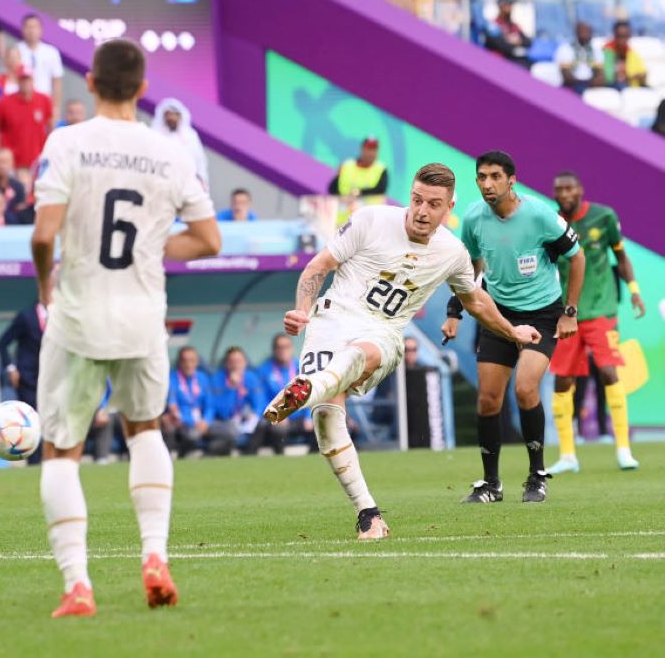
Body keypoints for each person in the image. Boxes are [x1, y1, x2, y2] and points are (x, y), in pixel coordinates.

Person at [30, 39, 221, 617]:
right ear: (142, 90)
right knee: (145, 433)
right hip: (142, 315)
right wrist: (151, 250)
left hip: (80, 315)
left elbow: (43, 236)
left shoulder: (67, 142)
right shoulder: (170, 154)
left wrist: (45, 289)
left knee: (63, 452)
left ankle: (78, 585)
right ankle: (155, 556)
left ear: (89, 82)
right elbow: (210, 239)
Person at [265, 163, 542, 538]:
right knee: (327, 419)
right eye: (416, 200)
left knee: (362, 353)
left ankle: (309, 387)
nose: (422, 211)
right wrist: (301, 308)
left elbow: (475, 301)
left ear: (449, 207)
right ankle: (369, 516)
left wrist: (512, 332)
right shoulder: (371, 220)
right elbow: (320, 265)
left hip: (382, 332)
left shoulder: (452, 253)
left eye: (433, 204)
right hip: (330, 320)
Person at [441, 151, 585, 505]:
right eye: (481, 177)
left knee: (524, 389)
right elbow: (467, 269)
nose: (487, 184)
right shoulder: (474, 218)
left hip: (543, 314)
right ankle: (491, 484)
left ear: (511, 180)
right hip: (497, 315)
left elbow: (577, 257)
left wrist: (570, 312)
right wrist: (454, 310)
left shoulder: (539, 215)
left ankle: (537, 476)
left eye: (494, 176)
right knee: (488, 399)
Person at [547, 172, 644, 474]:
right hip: (566, 315)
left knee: (608, 372)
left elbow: (621, 256)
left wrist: (634, 291)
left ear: (580, 190)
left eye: (569, 188)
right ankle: (567, 455)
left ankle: (624, 450)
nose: (564, 193)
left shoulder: (603, 217)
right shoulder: (550, 223)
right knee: (563, 379)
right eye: (559, 189)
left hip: (601, 310)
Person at [252, 334, 304, 455]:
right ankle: (281, 459)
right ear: (274, 350)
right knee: (276, 428)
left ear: (292, 348)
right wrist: (277, 415)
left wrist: (308, 417)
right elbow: (261, 400)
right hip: (277, 417)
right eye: (279, 347)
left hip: (299, 416)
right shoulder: (263, 370)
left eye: (286, 347)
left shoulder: (301, 367)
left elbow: (310, 394)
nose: (283, 350)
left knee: (321, 422)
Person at [0, 65, 52, 172]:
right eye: (22, 80)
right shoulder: (4, 102)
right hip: (11, 162)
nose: (26, 83)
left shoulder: (44, 100)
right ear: (17, 81)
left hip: (37, 159)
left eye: (28, 79)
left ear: (33, 80)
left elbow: (50, 127)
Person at [0, 299, 47, 411]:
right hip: (27, 380)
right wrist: (11, 368)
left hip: (48, 379)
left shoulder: (58, 318)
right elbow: (2, 343)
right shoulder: (26, 317)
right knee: (31, 418)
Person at [162, 347, 210, 457]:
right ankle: (176, 456)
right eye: (185, 361)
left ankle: (208, 456)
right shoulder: (171, 379)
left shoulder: (203, 379)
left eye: (192, 360)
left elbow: (210, 406)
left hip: (201, 422)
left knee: (229, 431)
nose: (188, 365)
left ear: (197, 362)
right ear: (179, 362)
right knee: (172, 426)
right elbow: (172, 406)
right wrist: (192, 422)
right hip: (181, 422)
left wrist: (206, 421)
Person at [149, 98, 208, 188]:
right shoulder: (155, 134)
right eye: (168, 115)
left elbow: (199, 161)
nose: (171, 118)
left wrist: (201, 180)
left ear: (180, 116)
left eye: (174, 115)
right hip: (162, 183)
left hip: (187, 184)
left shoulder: (190, 136)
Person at [16, 15, 64, 122]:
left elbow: (56, 82)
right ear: (22, 29)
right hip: (21, 101)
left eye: (34, 27)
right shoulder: (16, 50)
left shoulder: (51, 52)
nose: (31, 30)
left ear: (41, 30)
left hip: (44, 102)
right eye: (28, 27)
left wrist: (56, 108)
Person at [555, 21, 603, 93]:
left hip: (590, 85)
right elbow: (566, 75)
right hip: (572, 85)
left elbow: (600, 74)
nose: (585, 34)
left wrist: (593, 83)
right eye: (582, 31)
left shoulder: (596, 51)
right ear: (576, 32)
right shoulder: (565, 49)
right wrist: (582, 83)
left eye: (588, 31)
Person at [484, 0, 531, 66]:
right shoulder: (494, 25)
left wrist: (519, 41)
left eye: (511, 5)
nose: (511, 8)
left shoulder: (514, 26)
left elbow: (528, 41)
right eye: (508, 5)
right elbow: (500, 45)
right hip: (499, 63)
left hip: (516, 60)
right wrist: (509, 41)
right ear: (501, 6)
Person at [602, 20, 647, 89]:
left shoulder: (632, 54)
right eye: (620, 36)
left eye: (625, 36)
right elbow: (607, 77)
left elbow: (642, 74)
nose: (622, 39)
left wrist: (631, 77)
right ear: (615, 34)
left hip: (631, 89)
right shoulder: (606, 52)